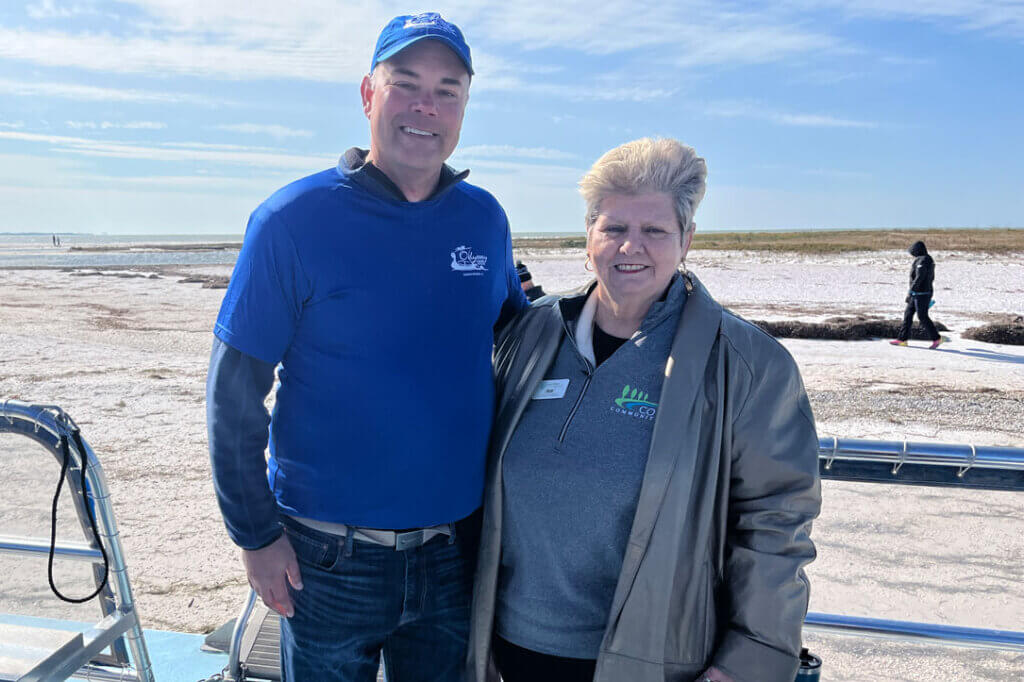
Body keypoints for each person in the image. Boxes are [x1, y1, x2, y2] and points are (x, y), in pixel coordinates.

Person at [206, 12, 528, 681]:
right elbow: (233, 395)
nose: (425, 106)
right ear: (366, 94)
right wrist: (256, 536)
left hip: (453, 552)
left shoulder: (484, 218)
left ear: (465, 107)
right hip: (325, 559)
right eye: (405, 83)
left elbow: (519, 337)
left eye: (447, 91)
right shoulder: (291, 221)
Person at [467, 138, 822, 682]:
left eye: (654, 231)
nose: (630, 246)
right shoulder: (532, 335)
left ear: (686, 240)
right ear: (588, 238)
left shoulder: (748, 364)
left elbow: (776, 521)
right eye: (613, 228)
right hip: (511, 652)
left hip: (655, 664)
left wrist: (748, 659)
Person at [890, 240, 945, 349]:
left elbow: (920, 277)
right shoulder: (922, 259)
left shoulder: (924, 260)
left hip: (922, 294)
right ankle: (902, 340)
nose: (912, 254)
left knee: (922, 316)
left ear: (917, 250)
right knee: (908, 315)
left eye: (913, 251)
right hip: (917, 293)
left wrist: (910, 292)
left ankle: (937, 338)